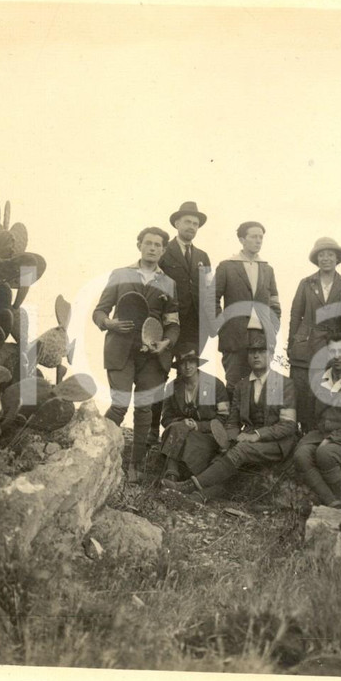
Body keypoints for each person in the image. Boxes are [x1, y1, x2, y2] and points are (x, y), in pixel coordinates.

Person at [162, 331, 297, 500]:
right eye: (252, 352)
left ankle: (189, 485)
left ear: (271, 355)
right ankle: (201, 496)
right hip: (246, 440)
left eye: (261, 351)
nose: (256, 356)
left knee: (240, 451)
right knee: (223, 456)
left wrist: (256, 435)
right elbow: (232, 422)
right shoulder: (242, 386)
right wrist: (229, 441)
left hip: (276, 442)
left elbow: (288, 425)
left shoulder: (284, 384)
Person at [92, 226, 179, 481]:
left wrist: (166, 342)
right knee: (119, 405)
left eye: (158, 245)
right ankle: (92, 454)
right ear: (139, 245)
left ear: (163, 250)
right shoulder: (120, 274)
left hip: (152, 355)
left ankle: (135, 468)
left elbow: (173, 323)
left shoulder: (169, 283)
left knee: (143, 409)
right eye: (148, 243)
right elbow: (100, 311)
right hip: (121, 350)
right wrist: (109, 324)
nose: (152, 248)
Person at [150, 201, 212, 444]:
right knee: (158, 375)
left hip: (195, 329)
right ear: (177, 223)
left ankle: (181, 434)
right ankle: (151, 432)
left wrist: (211, 323)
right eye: (188, 222)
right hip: (167, 326)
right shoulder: (164, 252)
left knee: (188, 376)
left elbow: (209, 291)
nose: (192, 227)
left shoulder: (202, 256)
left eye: (196, 224)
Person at [293, 334, 341, 510]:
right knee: (301, 455)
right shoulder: (320, 381)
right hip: (321, 435)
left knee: (325, 454)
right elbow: (311, 414)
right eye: (332, 351)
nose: (337, 356)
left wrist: (332, 438)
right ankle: (332, 501)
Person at [287, 237, 341, 433]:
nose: (326, 259)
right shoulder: (306, 283)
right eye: (321, 255)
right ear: (316, 259)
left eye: (330, 255)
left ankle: (322, 433)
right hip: (305, 345)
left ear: (337, 258)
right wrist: (292, 343)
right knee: (302, 389)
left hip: (331, 345)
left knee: (326, 387)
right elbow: (296, 314)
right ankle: (301, 432)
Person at [212, 221, 281, 395]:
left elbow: (275, 303)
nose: (258, 241)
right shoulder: (227, 266)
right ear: (242, 239)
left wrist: (272, 328)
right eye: (253, 236)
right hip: (234, 337)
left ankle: (256, 423)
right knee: (235, 383)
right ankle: (231, 423)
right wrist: (223, 325)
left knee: (259, 383)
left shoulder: (267, 269)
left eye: (261, 237)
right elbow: (212, 299)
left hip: (261, 336)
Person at [157, 345, 230, 485]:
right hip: (178, 432)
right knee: (178, 428)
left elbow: (223, 418)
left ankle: (172, 475)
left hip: (206, 435)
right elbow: (165, 418)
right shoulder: (172, 387)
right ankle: (173, 478)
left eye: (191, 362)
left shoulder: (215, 385)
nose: (187, 366)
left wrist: (198, 425)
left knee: (183, 437)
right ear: (178, 366)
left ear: (197, 364)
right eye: (183, 363)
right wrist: (184, 423)